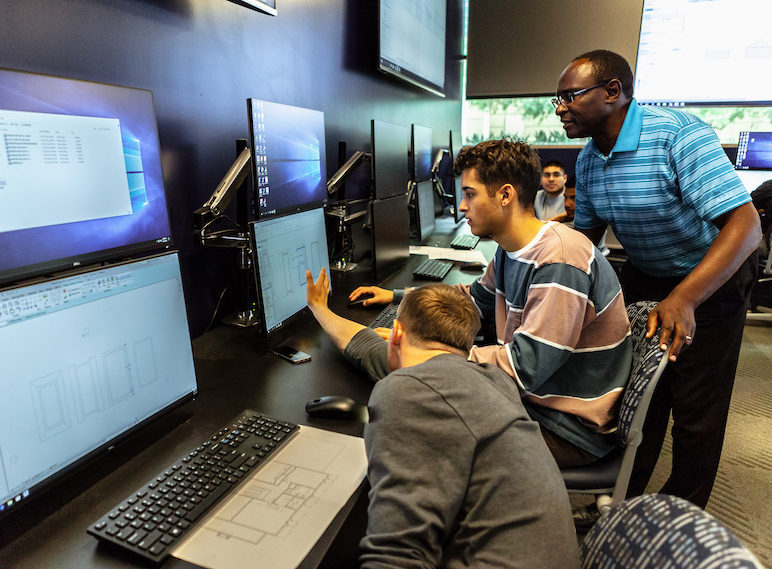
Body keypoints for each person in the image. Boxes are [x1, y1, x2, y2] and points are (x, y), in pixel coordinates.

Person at [554, 49, 762, 508]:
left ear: (613, 93)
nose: (560, 107)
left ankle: (680, 512)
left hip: (713, 276)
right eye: (557, 98)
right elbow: (586, 240)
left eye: (571, 95)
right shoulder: (589, 160)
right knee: (642, 392)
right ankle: (627, 493)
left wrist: (686, 298)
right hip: (649, 273)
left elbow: (746, 225)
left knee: (695, 405)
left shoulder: (676, 136)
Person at [351, 138, 632, 468]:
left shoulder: (560, 260)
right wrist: (399, 297)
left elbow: (525, 368)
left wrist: (433, 356)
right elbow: (475, 299)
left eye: (469, 194)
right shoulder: (511, 249)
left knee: (418, 428)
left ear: (505, 195)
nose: (461, 206)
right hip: (535, 403)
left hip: (566, 428)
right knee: (415, 397)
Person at [305, 275, 580, 568]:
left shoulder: (408, 392)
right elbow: (368, 347)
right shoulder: (487, 379)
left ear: (395, 333)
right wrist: (319, 308)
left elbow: (398, 555)